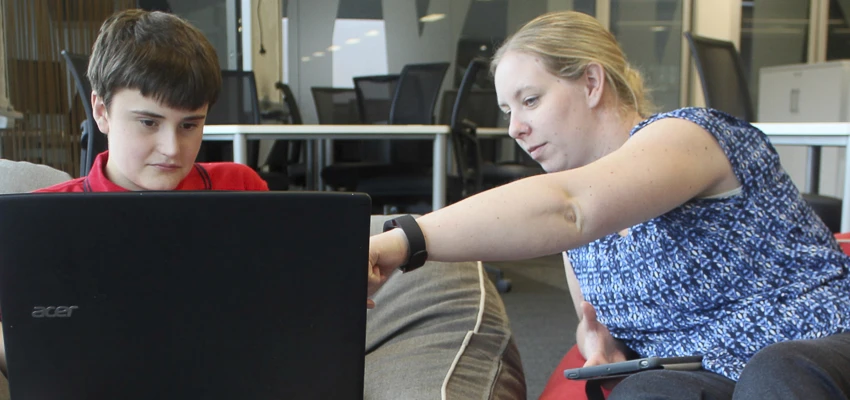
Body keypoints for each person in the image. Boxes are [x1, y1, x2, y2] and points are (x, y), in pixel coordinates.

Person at [367, 10, 850, 400]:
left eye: (530, 100)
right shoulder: (580, 235)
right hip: (713, 372)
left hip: (819, 343)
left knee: (777, 371)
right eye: (507, 111)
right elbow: (594, 322)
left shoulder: (689, 135)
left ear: (593, 84)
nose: (515, 127)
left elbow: (570, 208)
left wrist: (406, 240)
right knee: (644, 393)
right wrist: (597, 344)